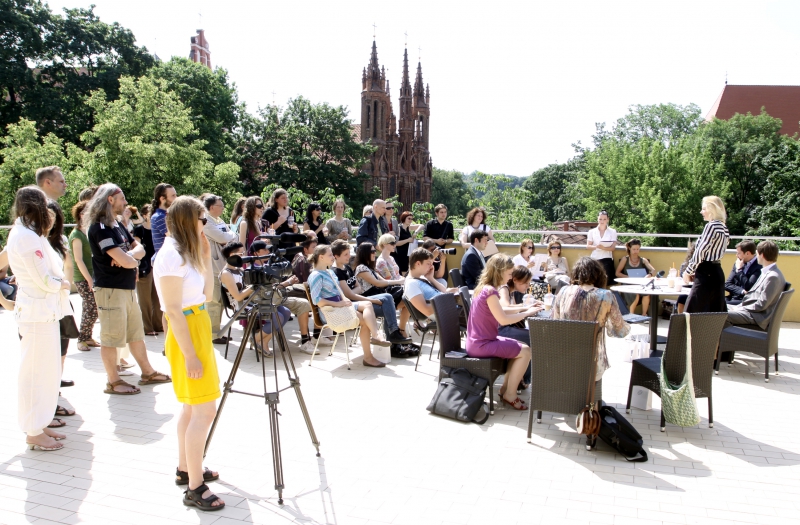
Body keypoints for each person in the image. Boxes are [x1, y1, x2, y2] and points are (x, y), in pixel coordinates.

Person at [152, 196, 224, 511]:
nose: (204, 225)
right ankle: (195, 487)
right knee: (204, 411)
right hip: (187, 335)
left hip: (197, 326)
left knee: (191, 410)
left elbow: (206, 296)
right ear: (187, 220)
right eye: (201, 219)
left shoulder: (186, 253)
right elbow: (171, 310)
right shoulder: (169, 256)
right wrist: (190, 354)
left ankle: (187, 468)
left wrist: (206, 256)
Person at [86, 183, 172, 395]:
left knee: (135, 333)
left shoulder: (116, 224)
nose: (125, 203)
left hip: (125, 288)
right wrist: (129, 258)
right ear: (110, 200)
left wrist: (128, 257)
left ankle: (147, 372)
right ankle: (113, 381)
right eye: (122, 198)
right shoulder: (100, 228)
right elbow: (128, 258)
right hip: (110, 290)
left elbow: (139, 248)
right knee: (111, 337)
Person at [7, 186, 71, 451]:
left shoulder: (31, 233)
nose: (49, 208)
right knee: (35, 373)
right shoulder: (25, 236)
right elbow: (44, 279)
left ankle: (40, 422)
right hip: (36, 315)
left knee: (46, 372)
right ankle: (33, 430)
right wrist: (63, 283)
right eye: (45, 203)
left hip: (44, 314)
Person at [466, 254, 538, 410]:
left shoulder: (484, 288)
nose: (511, 277)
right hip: (482, 344)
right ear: (499, 271)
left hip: (477, 341)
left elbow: (502, 312)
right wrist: (527, 312)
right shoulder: (491, 292)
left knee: (520, 347)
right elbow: (503, 319)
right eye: (509, 273)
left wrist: (525, 309)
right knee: (525, 351)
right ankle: (510, 394)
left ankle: (506, 389)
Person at [307, 244, 390, 367]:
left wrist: (345, 302)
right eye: (330, 255)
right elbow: (317, 301)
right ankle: (369, 354)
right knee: (364, 320)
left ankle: (375, 337)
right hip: (329, 311)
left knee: (367, 304)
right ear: (321, 257)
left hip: (340, 306)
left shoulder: (329, 272)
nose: (332, 257)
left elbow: (339, 292)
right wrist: (339, 303)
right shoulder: (316, 275)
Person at [552, 257, 630, 380]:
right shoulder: (606, 296)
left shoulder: (563, 291)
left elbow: (553, 323)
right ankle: (593, 397)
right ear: (599, 274)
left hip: (563, 361)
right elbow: (620, 331)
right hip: (592, 366)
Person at [331, 240, 412, 346]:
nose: (349, 256)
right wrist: (372, 300)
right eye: (346, 254)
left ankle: (394, 337)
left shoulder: (346, 268)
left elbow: (358, 288)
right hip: (355, 305)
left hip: (361, 301)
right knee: (389, 306)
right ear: (336, 256)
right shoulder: (337, 272)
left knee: (390, 300)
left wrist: (353, 291)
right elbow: (349, 295)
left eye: (349, 253)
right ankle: (394, 340)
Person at [219, 242, 290, 356]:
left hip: (253, 301)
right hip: (242, 306)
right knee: (278, 317)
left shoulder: (239, 269)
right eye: (242, 253)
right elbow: (238, 297)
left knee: (285, 312)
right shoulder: (226, 273)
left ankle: (262, 341)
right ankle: (257, 339)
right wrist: (255, 285)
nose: (245, 255)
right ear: (233, 255)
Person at [248, 241, 314, 353]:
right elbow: (262, 290)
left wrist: (287, 281)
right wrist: (287, 283)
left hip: (277, 298)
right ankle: (258, 339)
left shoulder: (268, 265)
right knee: (280, 316)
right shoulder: (252, 270)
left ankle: (304, 340)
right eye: (264, 250)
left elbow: (273, 286)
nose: (268, 252)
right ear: (256, 253)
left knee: (299, 306)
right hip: (263, 301)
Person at [497, 265, 541, 392]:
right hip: (499, 330)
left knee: (533, 336)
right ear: (515, 280)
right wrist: (526, 308)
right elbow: (505, 307)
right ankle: (523, 380)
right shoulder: (504, 288)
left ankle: (522, 379)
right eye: (525, 283)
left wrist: (529, 307)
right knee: (534, 338)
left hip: (504, 328)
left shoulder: (511, 291)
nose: (527, 286)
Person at [683, 196, 730, 313]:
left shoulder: (711, 226)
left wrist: (688, 271)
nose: (701, 212)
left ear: (711, 210)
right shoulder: (724, 227)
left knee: (693, 313)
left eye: (704, 209)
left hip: (706, 273)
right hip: (717, 272)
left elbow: (701, 252)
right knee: (714, 314)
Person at [202, 194, 238, 343]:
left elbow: (232, 236)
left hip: (221, 265)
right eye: (220, 206)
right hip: (213, 267)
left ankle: (218, 331)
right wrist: (228, 236)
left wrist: (228, 235)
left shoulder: (218, 220)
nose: (223, 208)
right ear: (212, 207)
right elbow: (225, 237)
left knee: (221, 301)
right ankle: (212, 334)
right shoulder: (205, 221)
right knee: (214, 301)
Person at [726, 241, 785, 329]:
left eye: (757, 254)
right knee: (719, 309)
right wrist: (739, 307)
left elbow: (761, 304)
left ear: (762, 255)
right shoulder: (767, 272)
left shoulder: (773, 276)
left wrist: (740, 309)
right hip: (752, 311)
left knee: (721, 316)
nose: (756, 256)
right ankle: (726, 341)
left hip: (757, 316)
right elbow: (753, 295)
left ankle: (725, 341)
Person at [132, 205, 164, 336]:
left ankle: (159, 324)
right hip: (144, 267)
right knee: (144, 299)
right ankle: (147, 327)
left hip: (157, 266)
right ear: (144, 215)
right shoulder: (139, 230)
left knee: (158, 298)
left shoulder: (158, 229)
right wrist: (137, 267)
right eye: (149, 213)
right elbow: (136, 248)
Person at [374, 234, 412, 332]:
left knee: (411, 298)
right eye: (392, 243)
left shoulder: (391, 258)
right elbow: (387, 280)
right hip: (391, 291)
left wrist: (406, 280)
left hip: (398, 287)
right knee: (410, 301)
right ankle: (403, 330)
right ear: (384, 244)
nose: (395, 245)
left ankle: (403, 329)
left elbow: (397, 275)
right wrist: (401, 281)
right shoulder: (381, 261)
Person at [615, 239, 657, 314]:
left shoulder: (643, 259)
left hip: (640, 283)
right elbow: (617, 273)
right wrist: (628, 277)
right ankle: (632, 314)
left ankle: (644, 314)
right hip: (628, 283)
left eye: (637, 249)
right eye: (634, 249)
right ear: (629, 248)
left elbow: (653, 270)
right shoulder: (625, 259)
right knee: (635, 294)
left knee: (646, 294)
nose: (636, 251)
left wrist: (649, 275)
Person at [725, 240, 762, 305]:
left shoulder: (759, 266)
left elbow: (749, 287)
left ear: (747, 253)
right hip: (734, 297)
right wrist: (741, 291)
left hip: (747, 301)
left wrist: (739, 270)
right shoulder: (738, 263)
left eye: (738, 253)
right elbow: (727, 284)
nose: (736, 255)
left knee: (720, 306)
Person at [586, 210, 618, 285]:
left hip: (607, 258)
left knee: (605, 281)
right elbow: (588, 246)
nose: (602, 221)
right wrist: (596, 247)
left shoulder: (612, 231)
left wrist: (604, 248)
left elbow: (613, 248)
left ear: (607, 219)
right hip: (595, 258)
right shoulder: (591, 231)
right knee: (594, 280)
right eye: (600, 219)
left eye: (604, 219)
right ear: (597, 219)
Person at [151, 183, 177, 257]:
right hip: (166, 259)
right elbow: (175, 238)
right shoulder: (160, 217)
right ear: (162, 199)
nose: (176, 198)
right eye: (173, 196)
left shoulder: (165, 215)